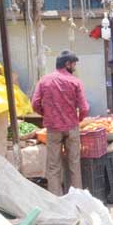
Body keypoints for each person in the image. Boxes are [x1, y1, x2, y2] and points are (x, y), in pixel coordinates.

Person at [32, 50, 90, 196]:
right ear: (67, 64)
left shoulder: (44, 80)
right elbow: (84, 108)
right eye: (74, 63)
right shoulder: (75, 81)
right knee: (74, 165)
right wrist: (78, 120)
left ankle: (56, 200)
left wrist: (46, 114)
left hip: (53, 129)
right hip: (71, 127)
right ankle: (76, 198)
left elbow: (35, 104)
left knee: (53, 166)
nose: (75, 67)